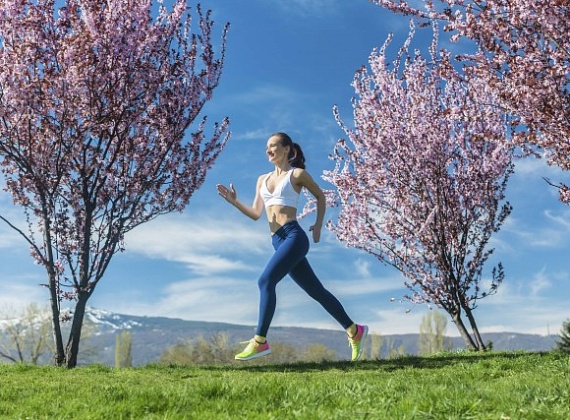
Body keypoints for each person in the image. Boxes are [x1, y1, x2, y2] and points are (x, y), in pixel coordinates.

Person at [216, 132, 368, 362]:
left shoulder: (296, 174)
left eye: (273, 146)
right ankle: (354, 330)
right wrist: (235, 202)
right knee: (316, 291)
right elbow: (256, 214)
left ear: (286, 149)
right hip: (278, 241)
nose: (268, 150)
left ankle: (260, 341)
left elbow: (320, 196)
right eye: (266, 147)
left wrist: (317, 225)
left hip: (294, 237)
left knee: (265, 281)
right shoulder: (262, 180)